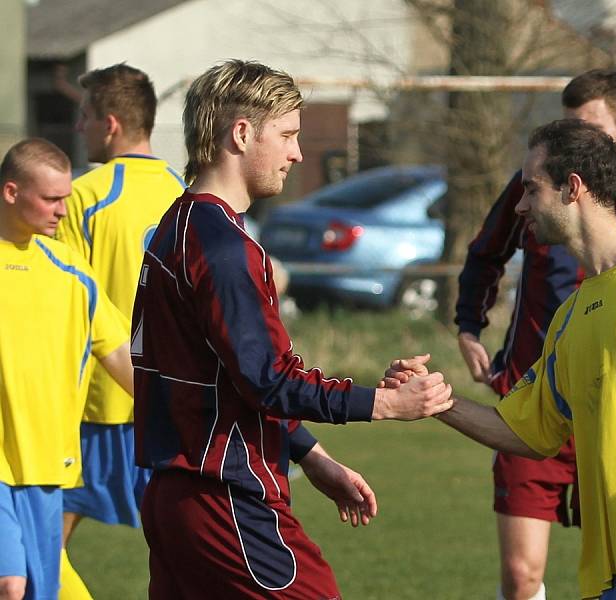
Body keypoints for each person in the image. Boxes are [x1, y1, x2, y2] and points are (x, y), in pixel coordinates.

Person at [391, 119, 616, 599]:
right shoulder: (569, 316)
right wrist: (436, 400)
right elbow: (527, 431)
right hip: (613, 569)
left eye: (530, 188)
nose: (520, 205)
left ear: (572, 188)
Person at [131, 59, 453, 600]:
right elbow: (268, 380)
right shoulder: (227, 248)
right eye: (286, 134)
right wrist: (386, 404)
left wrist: (310, 455)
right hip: (227, 499)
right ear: (241, 133)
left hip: (176, 496)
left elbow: (227, 380)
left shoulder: (178, 226)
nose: (297, 153)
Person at [455, 69, 616, 600]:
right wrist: (469, 327)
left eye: (589, 127)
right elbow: (485, 253)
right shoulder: (537, 189)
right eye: (567, 124)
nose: (573, 138)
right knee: (521, 574)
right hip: (533, 397)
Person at [53, 63, 186, 599]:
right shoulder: (187, 193)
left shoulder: (84, 195)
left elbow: (59, 300)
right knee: (187, 548)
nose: (79, 127)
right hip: (170, 407)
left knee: (40, 542)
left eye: (84, 116)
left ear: (109, 124)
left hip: (97, 406)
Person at [0, 138, 132, 600]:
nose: (61, 211)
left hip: (46, 468)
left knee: (41, 590)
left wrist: (194, 405)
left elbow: (123, 360)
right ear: (11, 192)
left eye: (66, 199)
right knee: (10, 585)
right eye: (51, 199)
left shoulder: (72, 273)